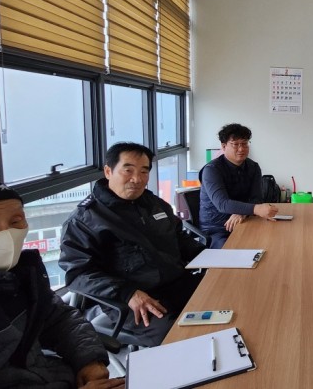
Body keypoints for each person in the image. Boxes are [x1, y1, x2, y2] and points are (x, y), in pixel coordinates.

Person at [0, 178, 123, 388]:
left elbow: (59, 319)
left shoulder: (21, 273)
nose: (6, 235)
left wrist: (89, 360)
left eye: (16, 222)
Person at [59, 142, 206, 347]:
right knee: (180, 339)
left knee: (227, 296)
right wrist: (127, 293)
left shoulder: (154, 204)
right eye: (128, 170)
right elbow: (78, 273)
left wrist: (212, 258)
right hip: (134, 298)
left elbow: (180, 239)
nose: (137, 179)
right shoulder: (85, 220)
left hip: (177, 283)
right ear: (108, 171)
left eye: (144, 171)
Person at [199, 123, 278, 248]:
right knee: (233, 253)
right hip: (218, 228)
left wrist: (242, 213)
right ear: (224, 146)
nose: (241, 149)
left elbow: (256, 198)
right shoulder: (212, 170)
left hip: (244, 221)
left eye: (244, 144)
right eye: (235, 144)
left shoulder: (253, 167)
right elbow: (223, 204)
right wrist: (256, 209)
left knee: (271, 243)